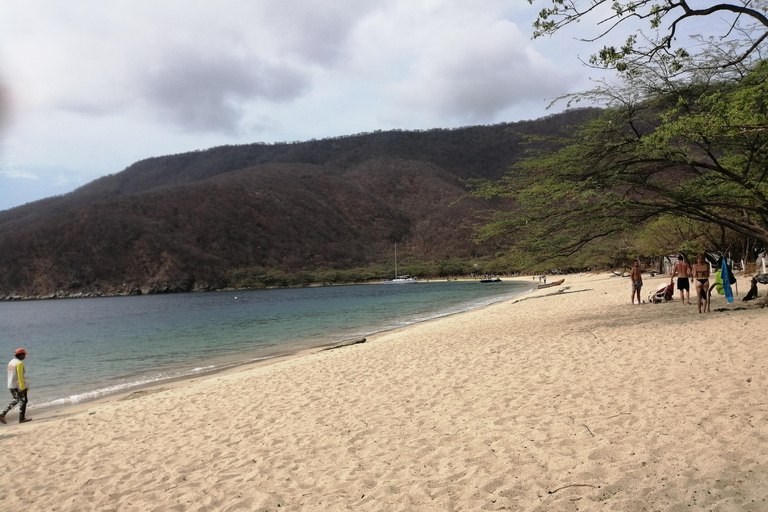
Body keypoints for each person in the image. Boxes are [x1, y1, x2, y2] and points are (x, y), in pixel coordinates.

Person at [0, 348, 32, 424]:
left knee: (16, 400)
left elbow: (11, 373)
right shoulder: (19, 363)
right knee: (24, 401)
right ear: (21, 355)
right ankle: (22, 418)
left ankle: (2, 414)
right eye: (24, 354)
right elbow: (20, 376)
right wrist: (22, 388)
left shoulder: (11, 362)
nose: (25, 356)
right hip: (17, 386)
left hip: (10, 385)